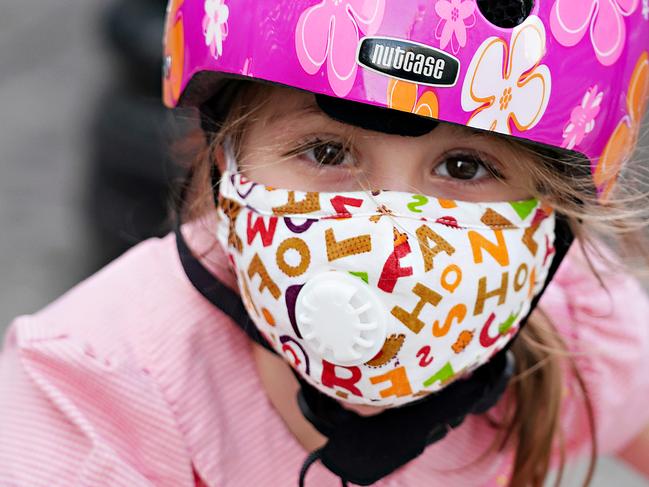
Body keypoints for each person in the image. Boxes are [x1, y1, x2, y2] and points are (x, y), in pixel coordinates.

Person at [1, 0, 649, 485]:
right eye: (327, 150)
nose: (389, 241)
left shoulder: (572, 335)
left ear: (553, 220)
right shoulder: (96, 397)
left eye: (463, 167)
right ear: (225, 159)